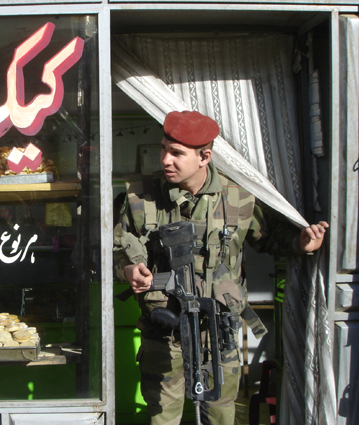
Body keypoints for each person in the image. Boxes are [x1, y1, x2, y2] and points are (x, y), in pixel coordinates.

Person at [113, 110, 328, 425]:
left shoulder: (239, 198)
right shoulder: (140, 197)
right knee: (162, 418)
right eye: (163, 149)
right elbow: (116, 248)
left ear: (205, 157)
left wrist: (300, 243)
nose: (165, 160)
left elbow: (268, 238)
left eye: (176, 153)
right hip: (164, 334)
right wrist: (129, 269)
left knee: (220, 416)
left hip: (218, 334)